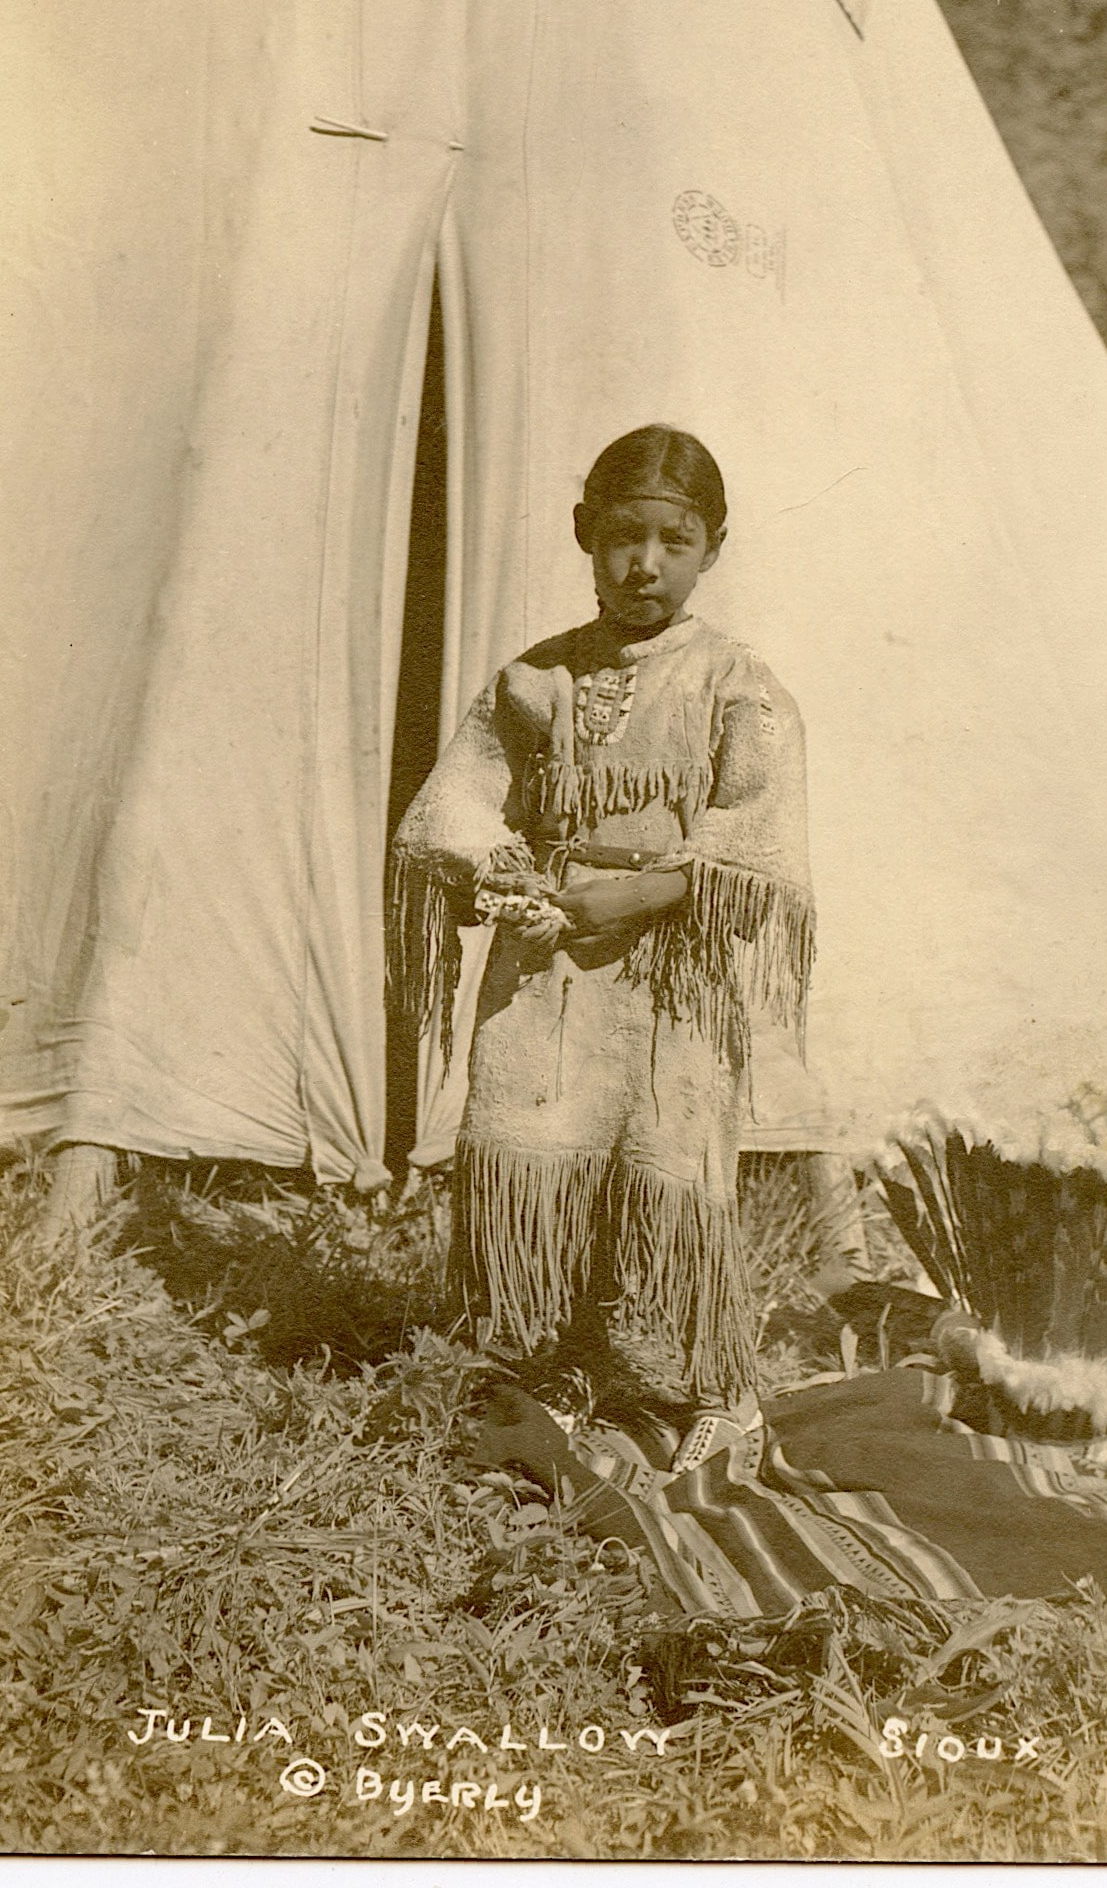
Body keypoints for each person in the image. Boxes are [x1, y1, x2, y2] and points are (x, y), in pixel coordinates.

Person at [389, 427, 814, 1468]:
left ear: (713, 548)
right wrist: (508, 872)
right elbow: (452, 806)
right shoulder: (536, 678)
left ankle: (720, 1389)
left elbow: (757, 839)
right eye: (624, 536)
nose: (644, 564)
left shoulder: (735, 684)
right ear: (585, 532)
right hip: (551, 966)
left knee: (672, 1159)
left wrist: (638, 894)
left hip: (673, 969)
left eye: (675, 541)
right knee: (546, 1146)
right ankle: (568, 1359)